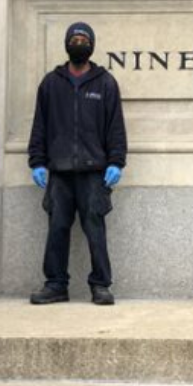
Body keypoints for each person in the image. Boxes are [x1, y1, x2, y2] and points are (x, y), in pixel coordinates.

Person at [28, 21, 127, 306]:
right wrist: (37, 162)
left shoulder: (105, 82)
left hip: (94, 172)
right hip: (59, 172)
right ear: (67, 44)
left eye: (84, 39)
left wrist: (116, 162)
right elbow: (40, 126)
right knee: (57, 228)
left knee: (94, 228)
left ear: (92, 45)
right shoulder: (51, 83)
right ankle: (56, 284)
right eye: (75, 39)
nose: (79, 43)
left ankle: (101, 285)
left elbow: (115, 128)